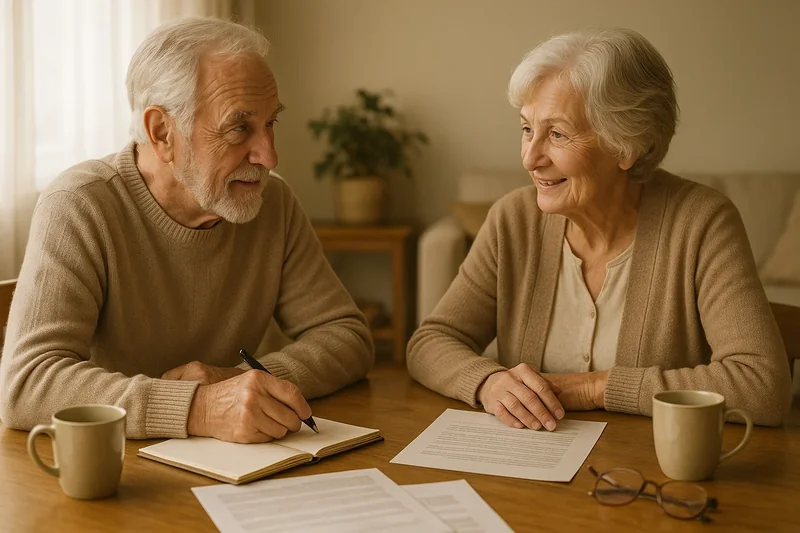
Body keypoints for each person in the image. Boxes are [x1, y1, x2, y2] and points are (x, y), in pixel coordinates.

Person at [0, 18, 374, 443]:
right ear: (162, 132)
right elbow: (27, 384)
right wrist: (197, 408)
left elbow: (348, 338)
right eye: (239, 127)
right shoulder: (80, 205)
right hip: (115, 476)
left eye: (271, 123)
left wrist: (243, 380)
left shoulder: (274, 205)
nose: (269, 155)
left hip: (236, 469)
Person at [407, 29, 791, 430]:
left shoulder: (702, 223)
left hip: (647, 476)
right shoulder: (513, 220)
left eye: (556, 134)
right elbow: (430, 342)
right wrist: (488, 382)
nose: (530, 157)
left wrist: (594, 389)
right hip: (526, 474)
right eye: (526, 129)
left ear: (627, 145)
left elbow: (761, 385)